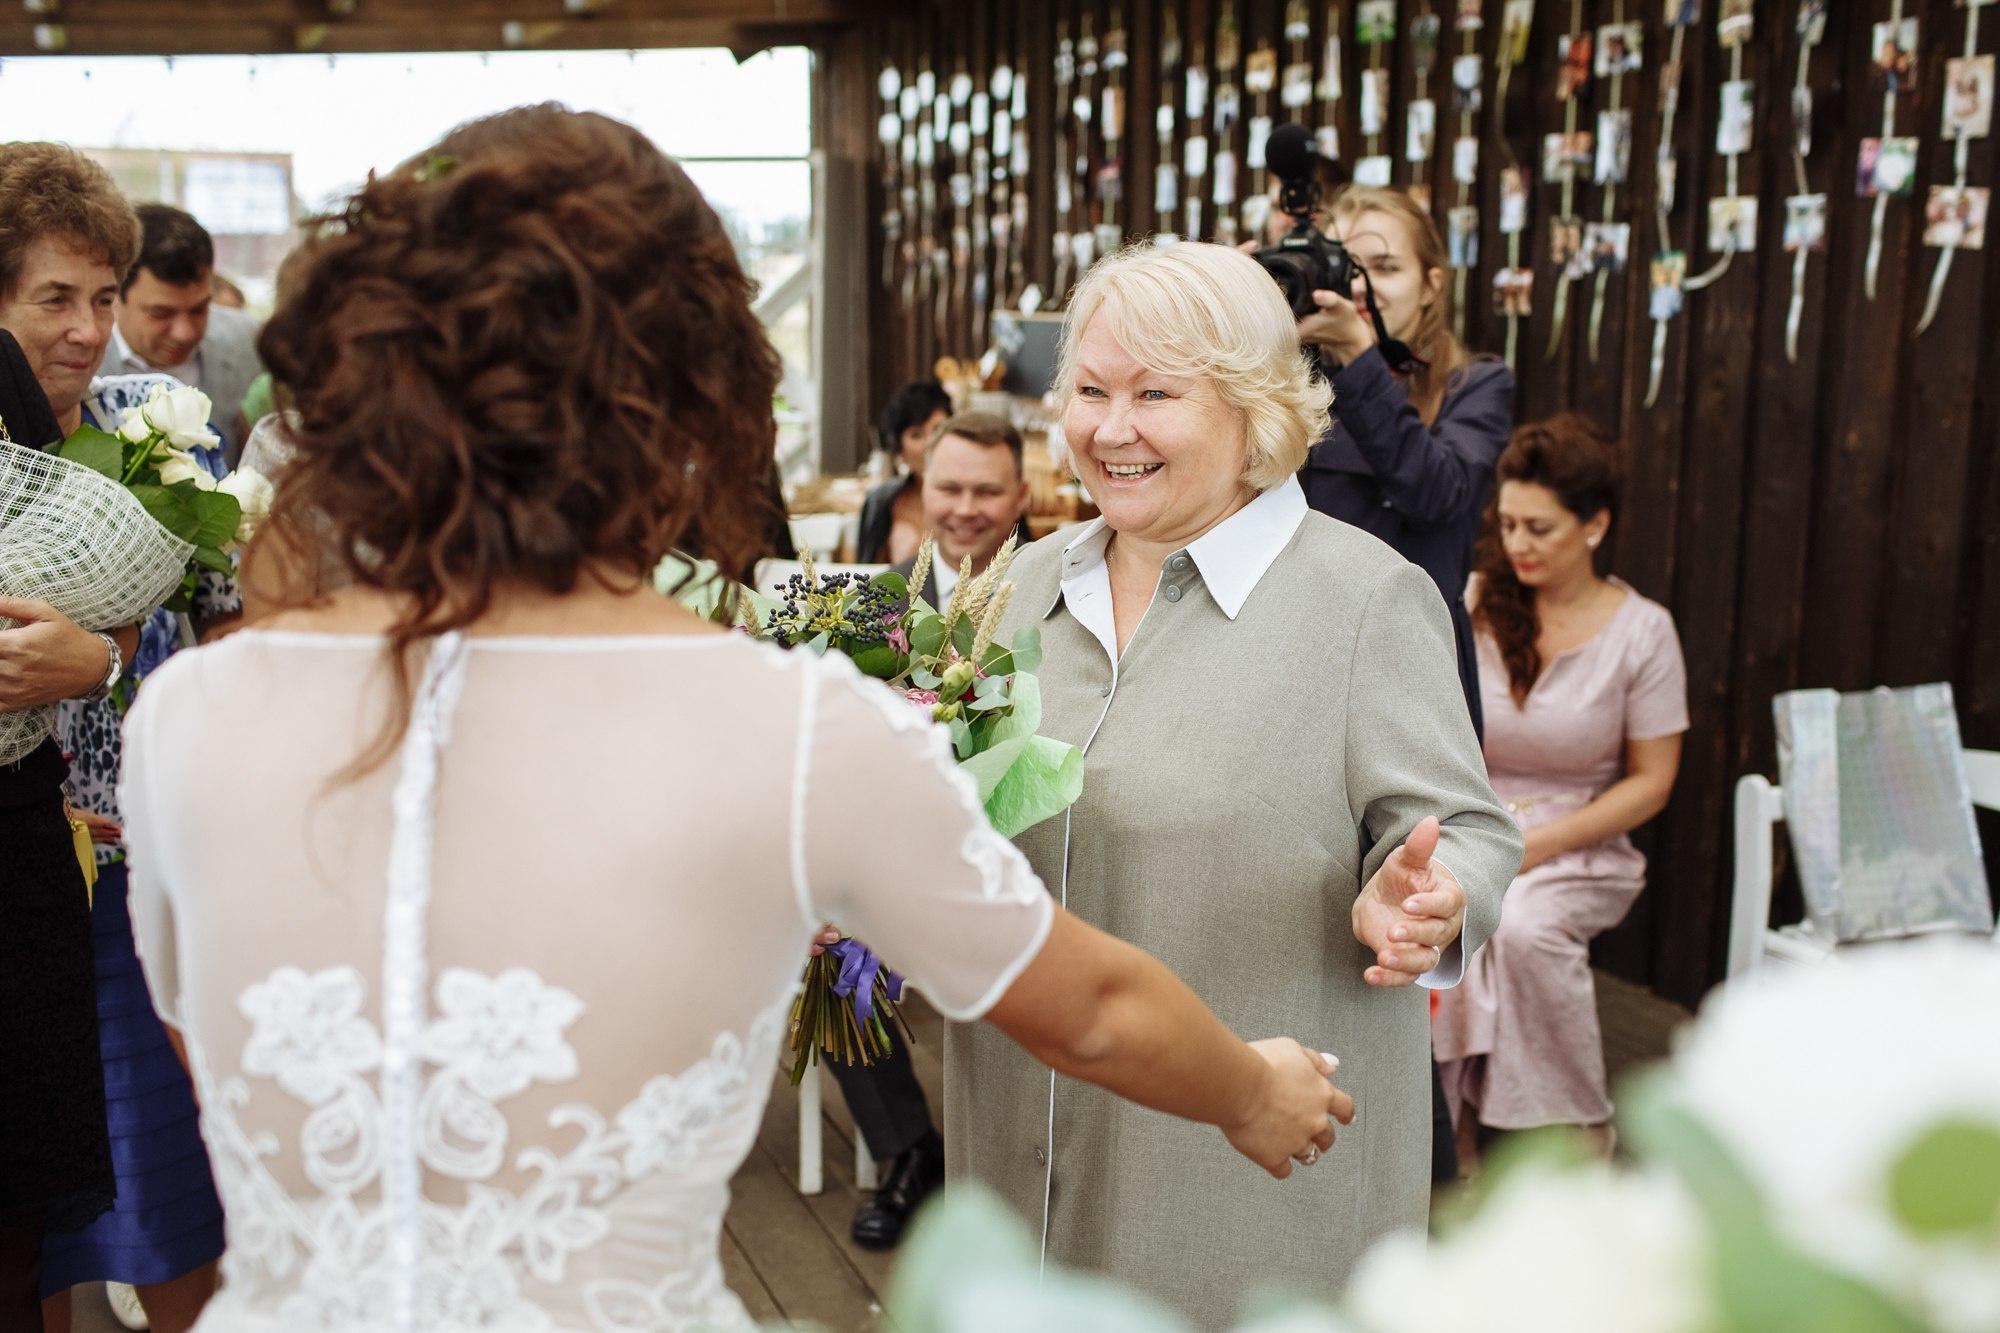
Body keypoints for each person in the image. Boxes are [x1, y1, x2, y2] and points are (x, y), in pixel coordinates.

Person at [116, 105, 1355, 1332]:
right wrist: (1253, 1092)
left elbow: (208, 1048)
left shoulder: (188, 717)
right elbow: (1089, 1009)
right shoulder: (793, 734)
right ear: (684, 393)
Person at [944, 241, 1523, 1328]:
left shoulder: (1364, 599)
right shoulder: (1016, 587)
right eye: (1090, 391)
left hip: (1237, 1189)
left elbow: (1465, 831)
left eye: (1155, 394)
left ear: (1255, 406)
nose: (1110, 429)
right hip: (1012, 1164)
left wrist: (1427, 898)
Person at [0, 142, 230, 1333]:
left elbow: (236, 646)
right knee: (32, 1222)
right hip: (22, 881)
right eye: (55, 298)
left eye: (103, 296)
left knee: (172, 1203)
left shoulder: (163, 437)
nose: (88, 331)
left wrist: (110, 662)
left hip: (151, 879)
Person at [1432, 414, 1687, 1166]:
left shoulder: (1644, 632)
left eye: (1540, 528)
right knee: (1447, 916)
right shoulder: (1475, 601)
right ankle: (1452, 1132)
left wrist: (1535, 846)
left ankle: (1576, 1125)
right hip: (1472, 819)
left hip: (1579, 840)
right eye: (1508, 524)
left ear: (1595, 525)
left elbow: (1653, 782)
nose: (1519, 544)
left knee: (1521, 926)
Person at [827, 409, 1033, 1252]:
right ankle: (908, 1147)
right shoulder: (875, 600)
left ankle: (1025, 1152)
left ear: (1021, 496)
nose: (967, 508)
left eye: (988, 491)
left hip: (1029, 841)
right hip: (902, 850)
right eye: (950, 488)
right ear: (922, 489)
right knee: (830, 938)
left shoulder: (1058, 591)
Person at [0, 331, 116, 1331]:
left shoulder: (2, 368)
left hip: (12, 847)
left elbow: (92, 587)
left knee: (16, 1208)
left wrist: (94, 661)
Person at [110, 204, 263, 465]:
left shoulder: (252, 343)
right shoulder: (79, 364)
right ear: (115, 294)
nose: (185, 333)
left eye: (199, 309)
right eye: (161, 313)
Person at [854, 379, 951, 564]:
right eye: (916, 435)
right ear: (899, 450)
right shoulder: (881, 503)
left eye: (939, 429)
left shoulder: (976, 499)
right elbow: (868, 573)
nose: (931, 443)